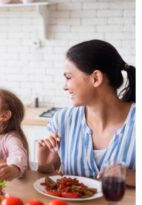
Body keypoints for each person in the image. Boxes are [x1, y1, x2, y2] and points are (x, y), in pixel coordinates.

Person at [37, 39, 136, 186]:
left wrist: (132, 177)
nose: (65, 87)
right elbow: (55, 183)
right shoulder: (62, 120)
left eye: (69, 77)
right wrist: (46, 165)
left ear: (96, 78)